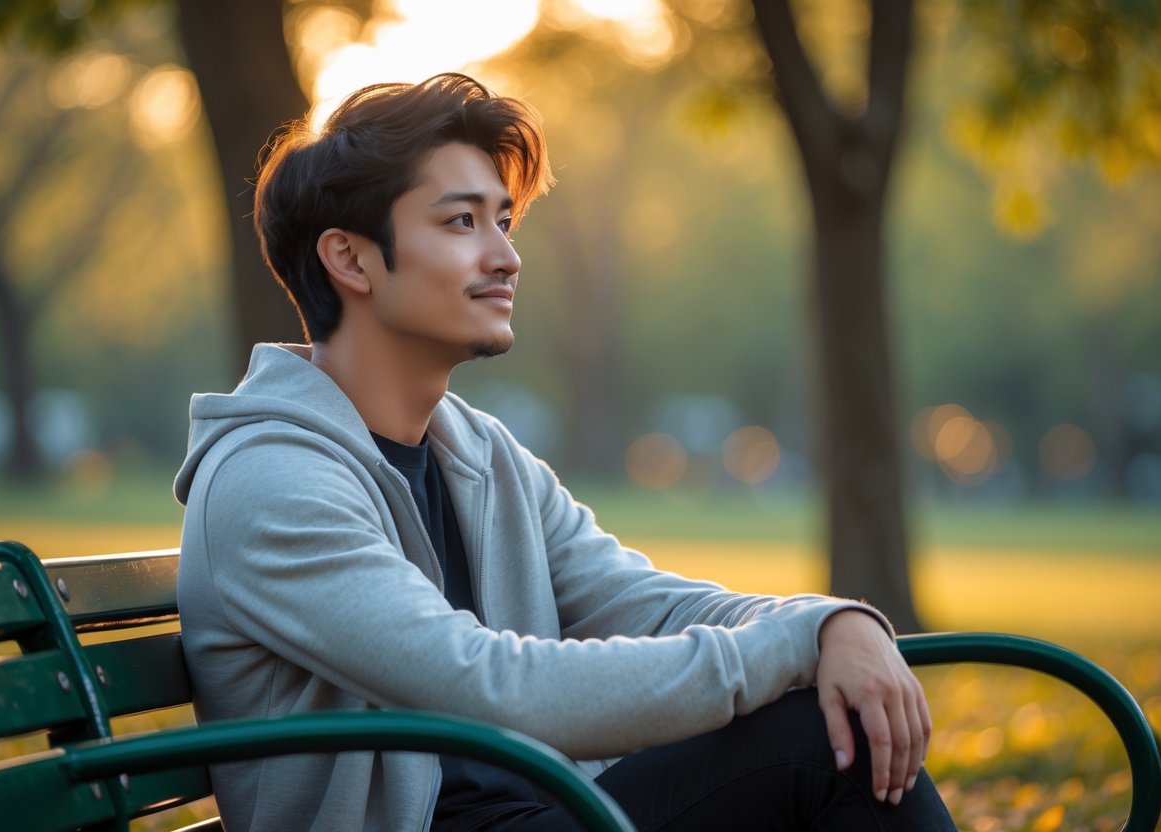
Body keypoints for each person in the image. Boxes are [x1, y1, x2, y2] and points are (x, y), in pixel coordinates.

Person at [174, 73, 956, 832]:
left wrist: (826, 625)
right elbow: (492, 686)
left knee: (830, 733)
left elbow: (648, 605)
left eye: (503, 223)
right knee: (821, 747)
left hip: (542, 812)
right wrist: (786, 650)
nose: (506, 258)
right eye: (460, 223)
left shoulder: (478, 455)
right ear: (349, 260)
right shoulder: (270, 482)